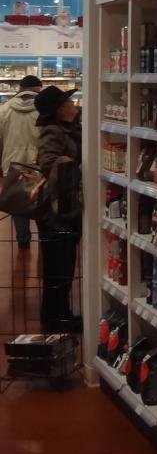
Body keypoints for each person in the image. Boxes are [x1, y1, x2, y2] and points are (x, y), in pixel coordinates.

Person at [34, 85, 83, 331]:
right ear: (60, 109)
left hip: (66, 206)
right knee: (58, 268)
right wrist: (75, 167)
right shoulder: (53, 132)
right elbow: (47, 162)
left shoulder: (71, 128)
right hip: (56, 211)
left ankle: (60, 315)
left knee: (64, 265)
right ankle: (56, 319)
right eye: (69, 102)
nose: (74, 104)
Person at [0, 75, 43, 249]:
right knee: (41, 199)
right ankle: (43, 238)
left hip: (11, 162)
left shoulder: (4, 109)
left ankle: (23, 239)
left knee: (17, 201)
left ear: (20, 88)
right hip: (38, 163)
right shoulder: (44, 109)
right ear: (38, 89)